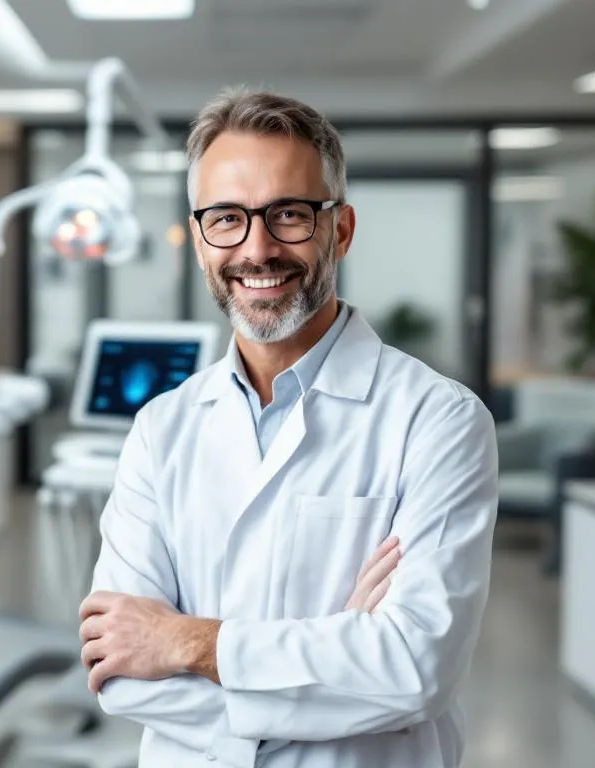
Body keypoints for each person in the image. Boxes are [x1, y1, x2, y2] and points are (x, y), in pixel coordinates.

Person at [76, 88, 499, 767]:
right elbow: (122, 674)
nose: (258, 248)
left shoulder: (437, 421)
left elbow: (416, 667)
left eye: (290, 215)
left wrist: (191, 644)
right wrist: (344, 655)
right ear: (198, 237)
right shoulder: (162, 428)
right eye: (226, 219)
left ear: (341, 229)